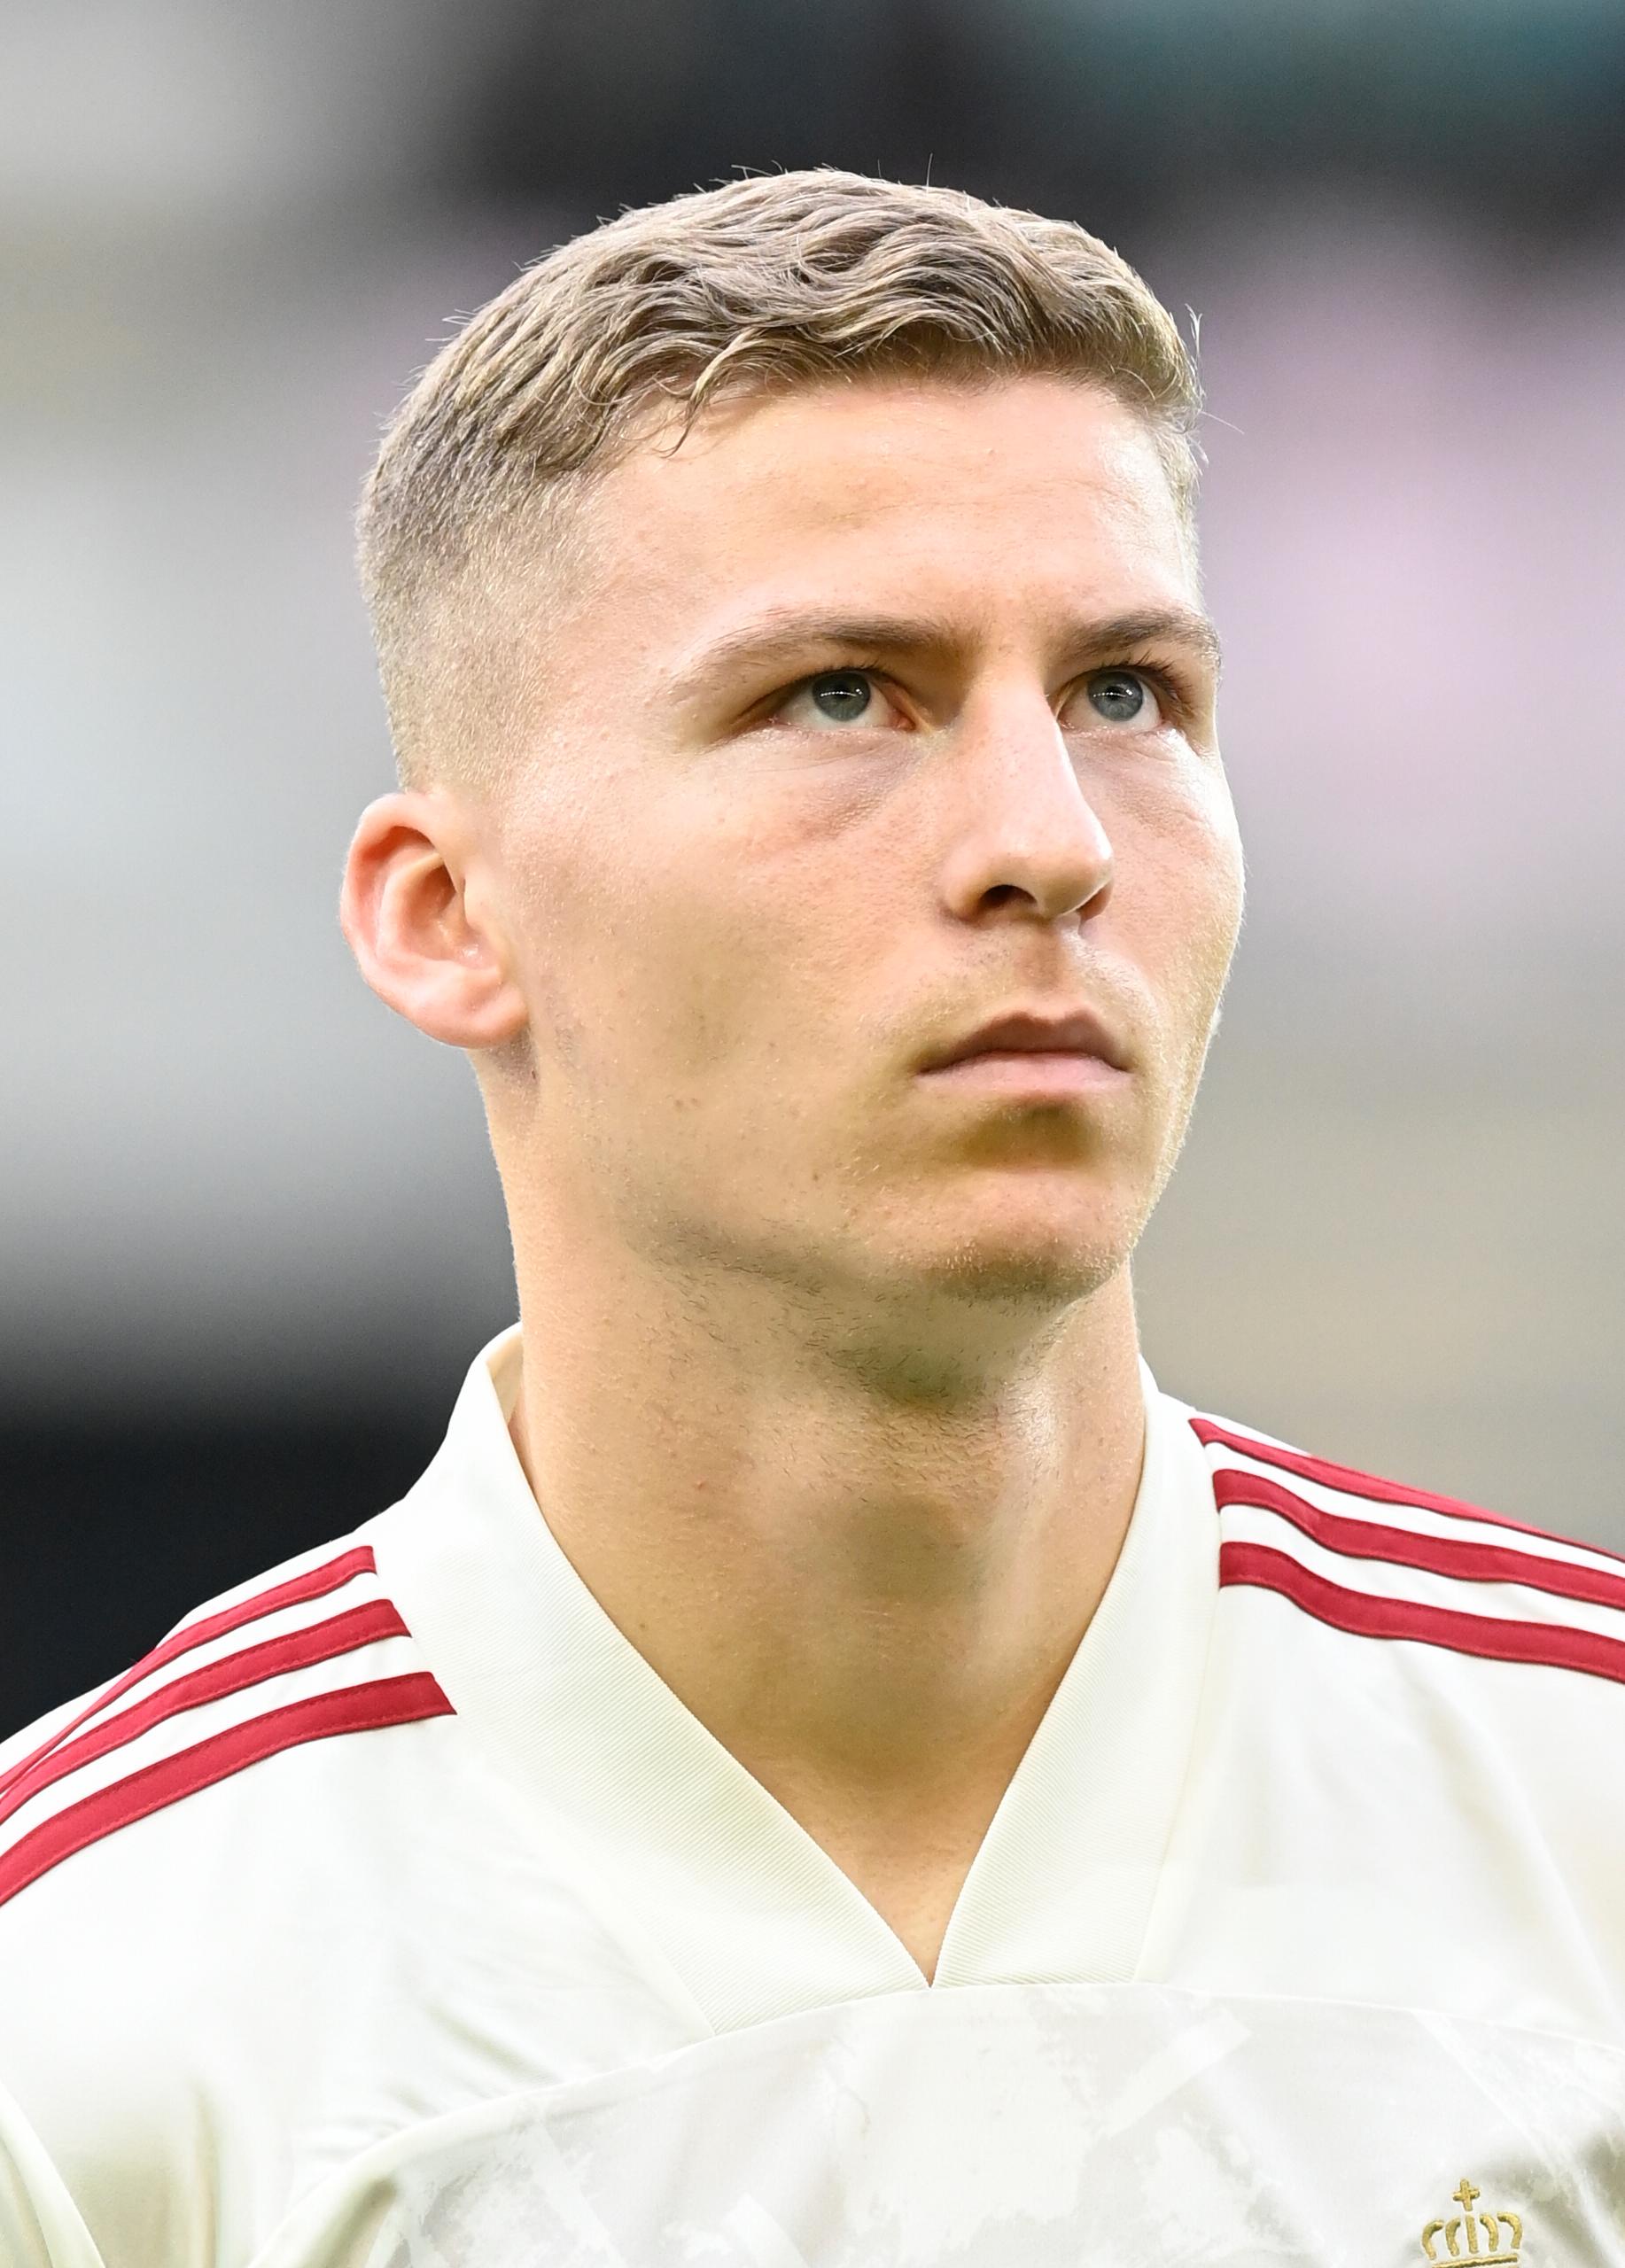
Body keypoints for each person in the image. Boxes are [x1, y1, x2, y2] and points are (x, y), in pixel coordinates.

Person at [1, 167, 1621, 2268]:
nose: (1047, 837)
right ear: (449, 914)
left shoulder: (1576, 1807)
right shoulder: (87, 1998)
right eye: (844, 693)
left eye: (1124, 692)